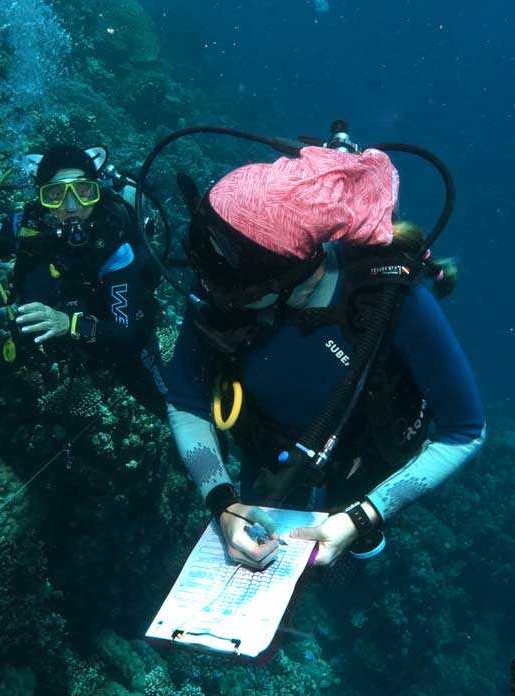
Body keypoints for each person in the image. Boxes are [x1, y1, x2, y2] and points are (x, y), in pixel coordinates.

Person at [164, 144, 486, 568]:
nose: (206, 285)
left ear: (280, 277)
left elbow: (465, 429)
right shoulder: (221, 279)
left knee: (359, 559)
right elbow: (184, 399)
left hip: (358, 469)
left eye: (221, 272)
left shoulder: (390, 300)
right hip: (269, 455)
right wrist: (223, 504)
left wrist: (361, 516)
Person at [0, 144, 167, 415]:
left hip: (110, 337)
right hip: (55, 343)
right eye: (55, 194)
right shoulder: (26, 225)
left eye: (83, 192)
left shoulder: (113, 240)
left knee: (167, 404)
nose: (71, 207)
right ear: (41, 197)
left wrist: (69, 324)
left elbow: (125, 332)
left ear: (97, 191)